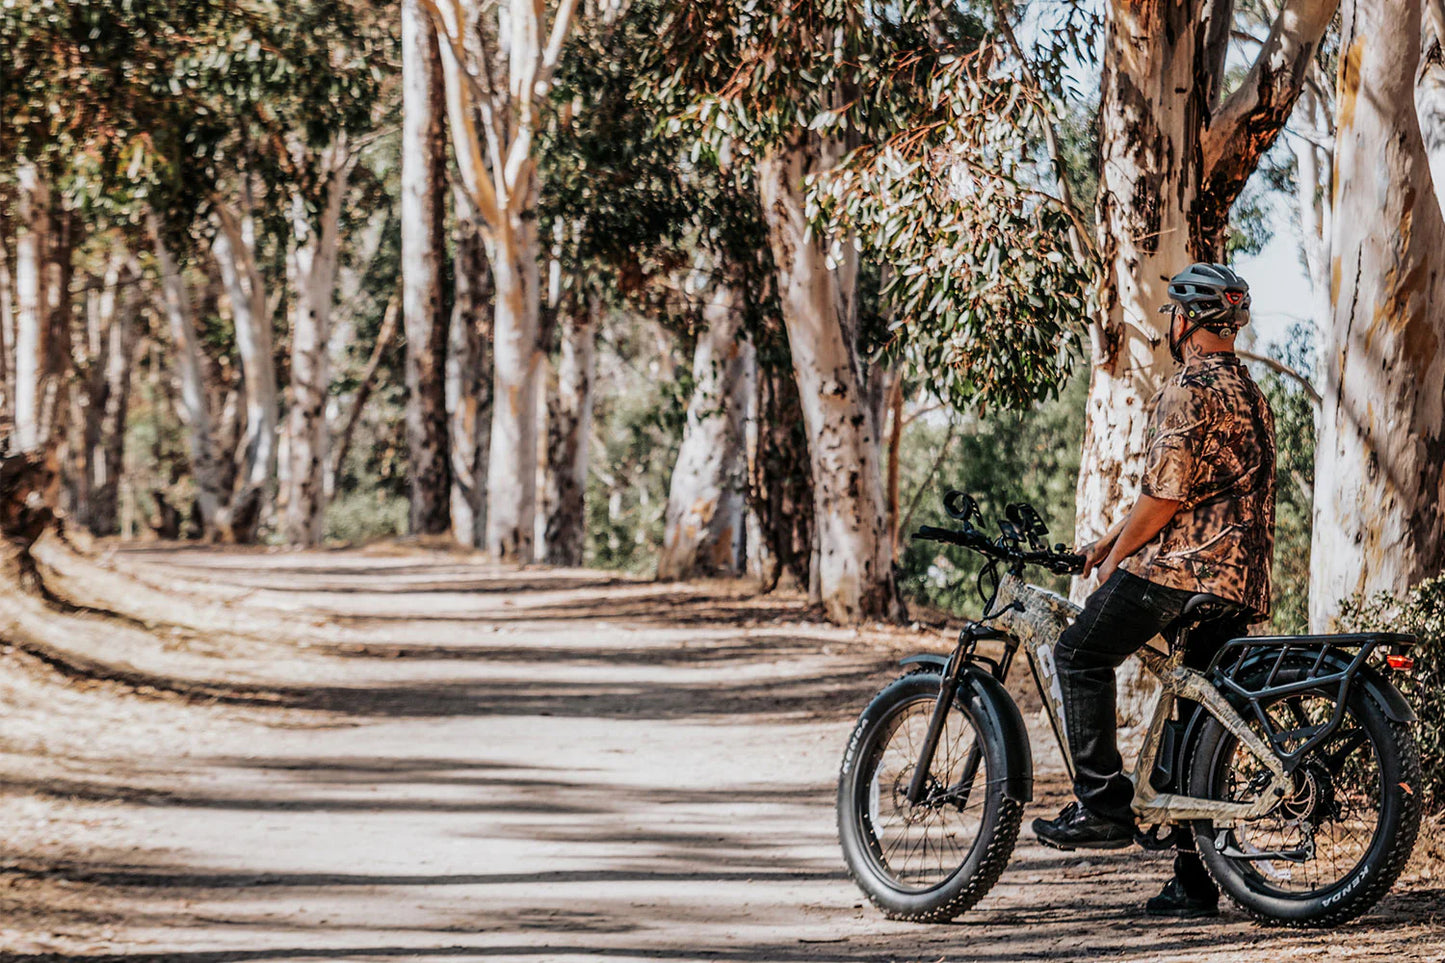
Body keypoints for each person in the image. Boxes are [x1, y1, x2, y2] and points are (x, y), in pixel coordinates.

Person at [1031, 263, 1277, 918]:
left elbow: (1164, 499)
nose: (1170, 325)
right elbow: (1177, 491)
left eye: (1172, 314)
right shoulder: (1250, 394)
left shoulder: (1186, 387)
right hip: (1240, 579)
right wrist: (1106, 540)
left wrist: (1115, 559)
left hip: (1181, 572)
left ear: (1186, 320)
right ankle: (1194, 885)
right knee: (1195, 726)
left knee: (1079, 653)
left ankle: (1100, 805)